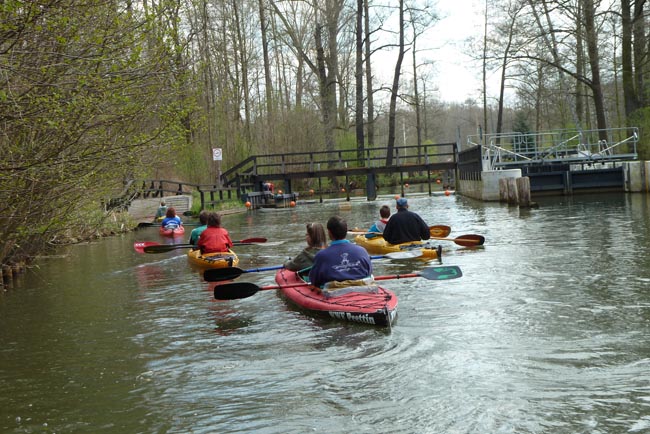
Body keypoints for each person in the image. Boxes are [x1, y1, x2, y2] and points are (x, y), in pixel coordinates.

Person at [309, 216, 372, 288]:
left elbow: (314, 280)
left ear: (329, 232)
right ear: (346, 231)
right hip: (362, 290)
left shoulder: (321, 255)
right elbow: (369, 273)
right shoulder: (362, 251)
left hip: (333, 293)